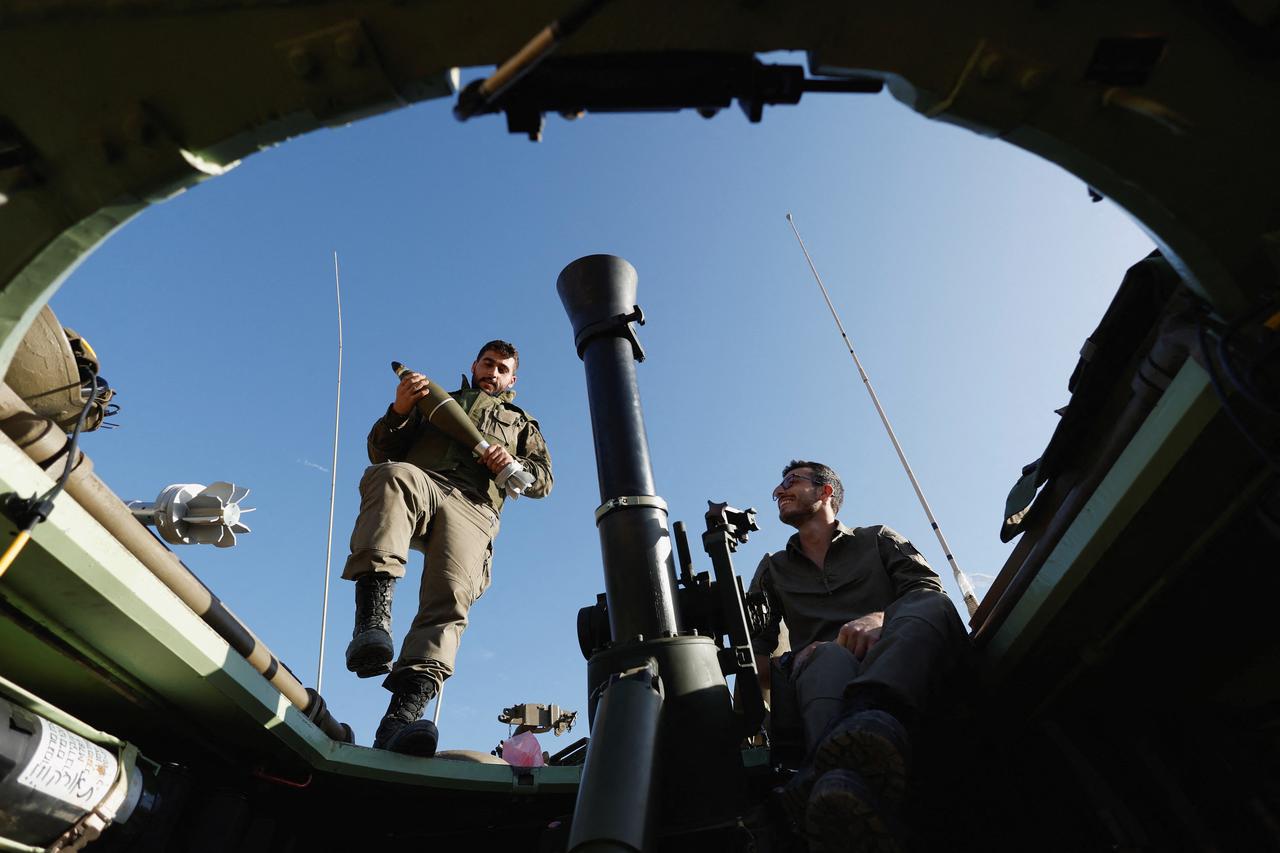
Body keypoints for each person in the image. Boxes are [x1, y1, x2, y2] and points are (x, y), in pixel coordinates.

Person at [341, 340, 552, 752]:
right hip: (426, 483)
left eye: (503, 368)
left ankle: (400, 722)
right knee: (390, 475)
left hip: (476, 508)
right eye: (487, 363)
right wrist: (400, 410)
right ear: (474, 365)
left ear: (513, 379)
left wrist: (513, 464)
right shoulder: (435, 401)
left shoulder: (523, 423)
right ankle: (371, 627)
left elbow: (543, 481)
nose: (493, 371)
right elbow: (380, 449)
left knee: (450, 598)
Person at [748, 460, 968, 851]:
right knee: (826, 660)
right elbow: (752, 660)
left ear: (825, 491)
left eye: (790, 482)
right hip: (821, 678)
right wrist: (791, 660)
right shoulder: (772, 570)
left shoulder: (877, 538)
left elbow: (926, 591)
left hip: (899, 657)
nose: (778, 492)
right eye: (778, 486)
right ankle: (835, 787)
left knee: (933, 605)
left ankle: (857, 732)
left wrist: (879, 619)